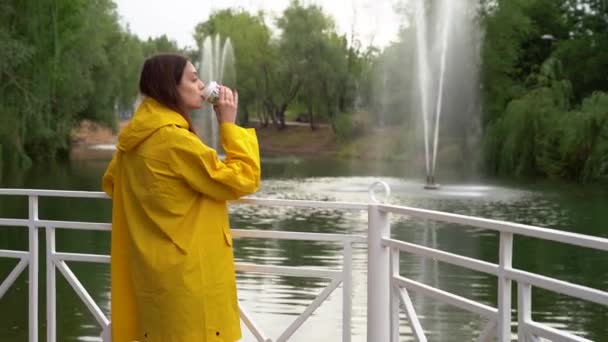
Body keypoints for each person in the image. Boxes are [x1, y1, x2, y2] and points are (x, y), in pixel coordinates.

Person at [102, 53, 261, 342]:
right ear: (169, 86)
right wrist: (229, 125)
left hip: (152, 273)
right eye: (193, 78)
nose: (201, 84)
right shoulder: (174, 140)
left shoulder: (133, 139)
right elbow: (244, 178)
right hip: (189, 282)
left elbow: (112, 183)